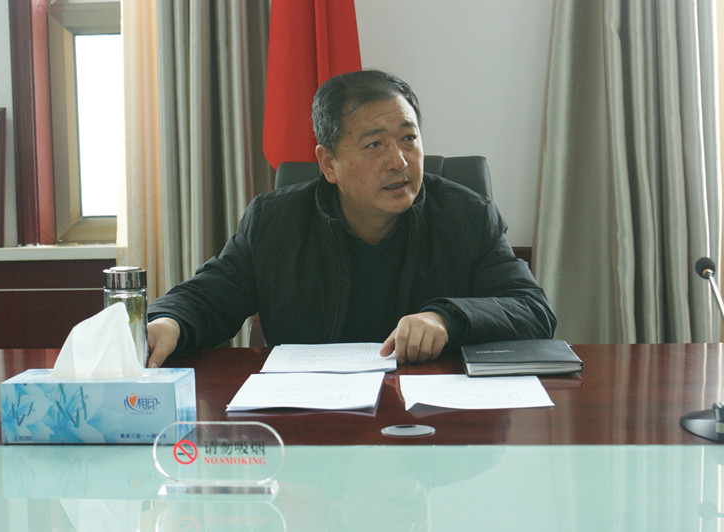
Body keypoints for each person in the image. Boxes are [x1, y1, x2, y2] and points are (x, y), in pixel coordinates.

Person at [146, 69, 556, 367]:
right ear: (329, 163)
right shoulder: (276, 223)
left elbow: (533, 309)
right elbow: (209, 296)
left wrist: (446, 318)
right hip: (313, 419)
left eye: (409, 139)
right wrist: (170, 321)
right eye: (375, 144)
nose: (399, 161)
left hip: (432, 418)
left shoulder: (466, 216)